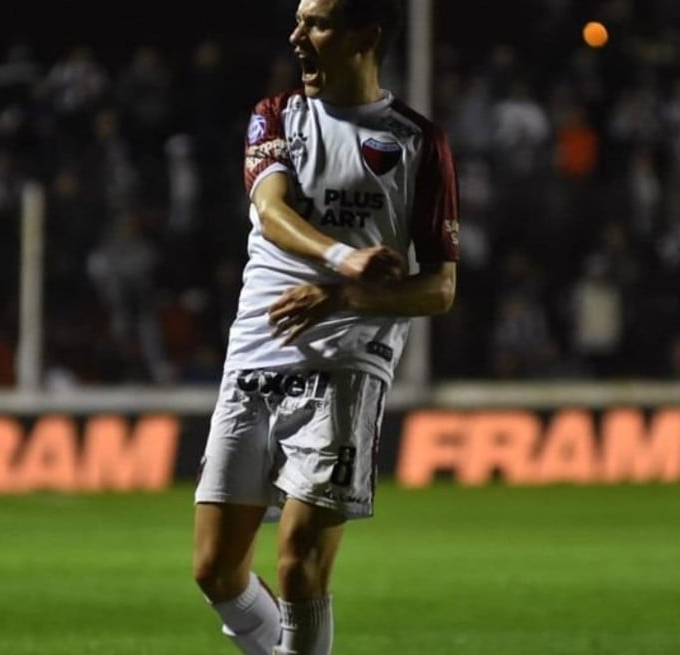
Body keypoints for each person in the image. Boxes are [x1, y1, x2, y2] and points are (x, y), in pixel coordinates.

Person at [191, 1, 459, 654]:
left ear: (366, 36)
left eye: (316, 23)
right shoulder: (276, 115)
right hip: (255, 357)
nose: (296, 35)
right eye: (298, 19)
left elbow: (440, 288)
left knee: (299, 560)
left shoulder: (419, 143)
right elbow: (271, 210)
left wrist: (342, 295)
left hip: (345, 367)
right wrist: (344, 257)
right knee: (216, 570)